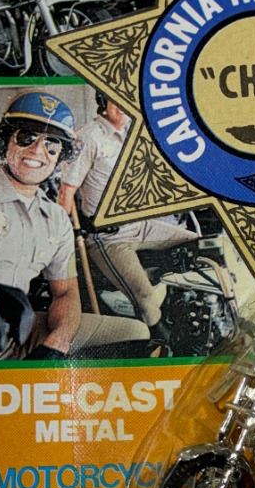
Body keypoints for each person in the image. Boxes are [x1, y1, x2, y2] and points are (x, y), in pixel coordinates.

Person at [0, 90, 144, 358]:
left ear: (58, 158)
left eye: (51, 146)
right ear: (6, 140)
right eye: (26, 137)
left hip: (18, 334)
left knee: (135, 333)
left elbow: (65, 292)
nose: (37, 151)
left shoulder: (56, 219)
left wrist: (56, 344)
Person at [56, 93, 199, 347]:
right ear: (103, 103)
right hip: (109, 237)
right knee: (144, 297)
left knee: (199, 243)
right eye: (115, 101)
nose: (122, 107)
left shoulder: (132, 133)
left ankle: (181, 308)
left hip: (141, 225)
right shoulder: (89, 138)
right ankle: (164, 346)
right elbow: (66, 191)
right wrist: (58, 238)